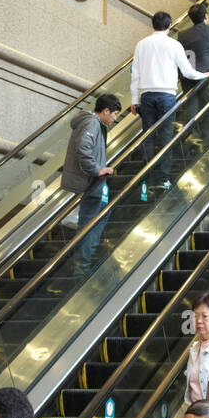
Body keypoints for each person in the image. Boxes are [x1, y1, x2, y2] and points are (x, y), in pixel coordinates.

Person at [131, 11, 209, 189]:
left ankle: (149, 177)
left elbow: (135, 75)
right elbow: (187, 71)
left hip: (146, 96)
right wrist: (204, 74)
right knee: (166, 137)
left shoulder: (141, 45)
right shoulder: (174, 45)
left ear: (152, 25)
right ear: (169, 26)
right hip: (167, 96)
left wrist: (134, 99)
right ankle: (163, 178)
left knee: (149, 137)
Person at [61, 93, 121, 279]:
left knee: (96, 218)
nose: (115, 118)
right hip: (92, 183)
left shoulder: (92, 123)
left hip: (92, 184)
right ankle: (82, 267)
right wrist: (97, 169)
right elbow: (83, 147)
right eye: (114, 114)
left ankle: (82, 262)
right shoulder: (92, 123)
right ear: (105, 111)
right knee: (89, 224)